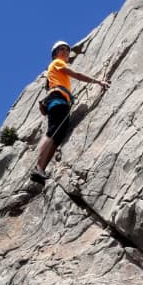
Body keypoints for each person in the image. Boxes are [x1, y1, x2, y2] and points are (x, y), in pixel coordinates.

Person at [30, 40, 110, 183]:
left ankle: (41, 169)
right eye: (62, 49)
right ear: (55, 54)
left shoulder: (55, 68)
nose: (66, 52)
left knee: (57, 136)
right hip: (57, 99)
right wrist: (97, 81)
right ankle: (38, 167)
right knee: (53, 131)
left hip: (61, 100)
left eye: (67, 50)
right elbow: (77, 74)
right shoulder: (57, 63)